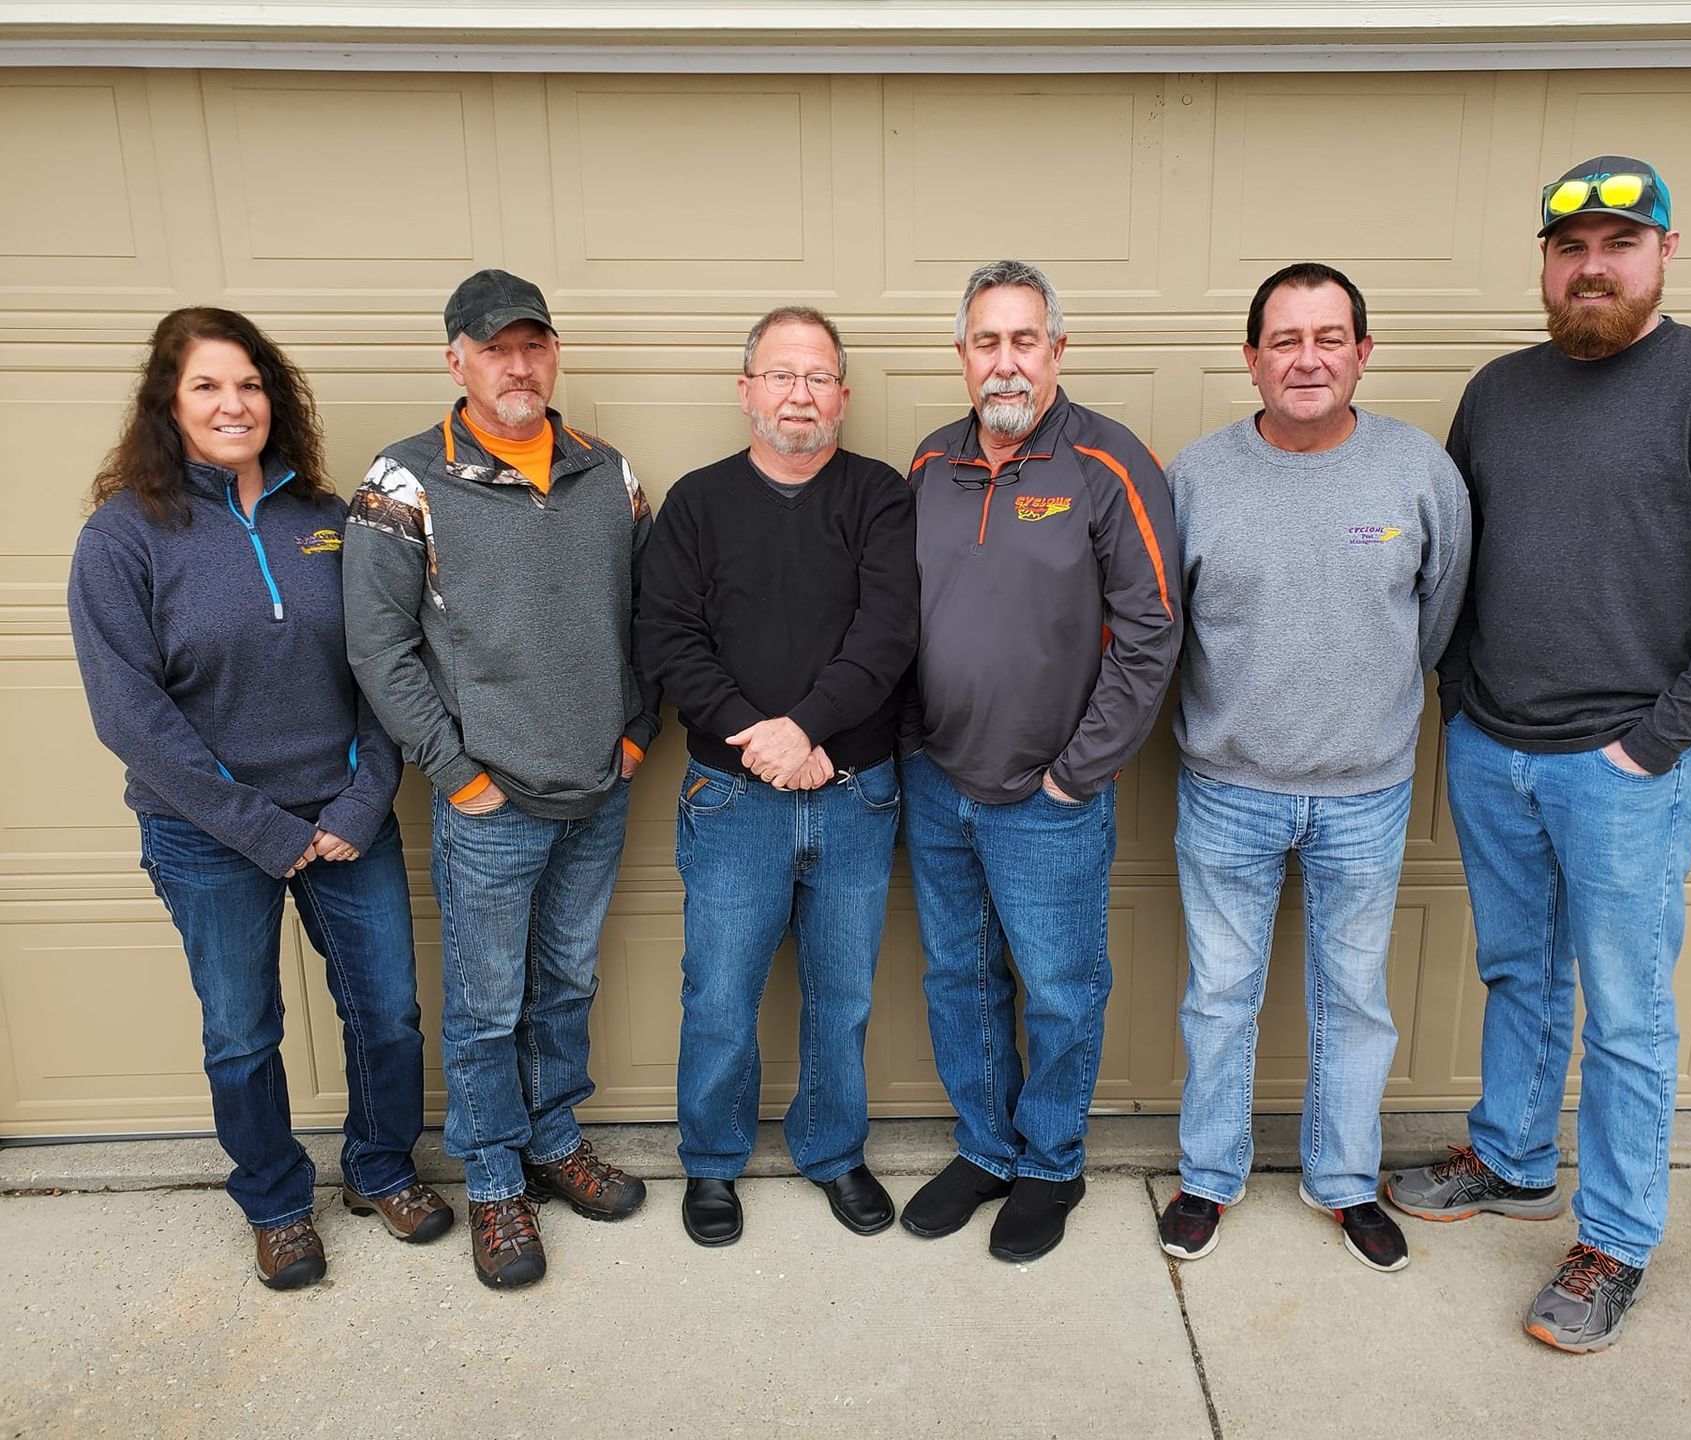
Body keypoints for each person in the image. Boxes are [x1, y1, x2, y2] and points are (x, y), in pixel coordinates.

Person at [1387, 157, 1691, 1351]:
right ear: (1544, 261)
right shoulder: (1500, 393)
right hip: (1495, 748)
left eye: (1621, 244)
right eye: (1572, 246)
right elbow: (1461, 564)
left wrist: (1657, 743)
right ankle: (1515, 1156)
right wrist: (1462, 700)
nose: (1594, 265)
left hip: (1624, 768)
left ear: (1664, 256)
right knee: (1518, 971)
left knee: (1627, 1014)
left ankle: (1616, 1239)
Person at [68, 307, 450, 1291]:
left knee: (390, 1015)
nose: (233, 404)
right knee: (242, 1030)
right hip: (206, 833)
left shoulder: (326, 520)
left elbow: (381, 667)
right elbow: (129, 712)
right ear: (169, 403)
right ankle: (277, 1203)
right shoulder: (123, 538)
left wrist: (365, 800)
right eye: (207, 386)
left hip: (342, 817)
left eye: (248, 383)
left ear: (273, 398)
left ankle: (379, 1167)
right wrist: (256, 824)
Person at [344, 269, 659, 1290]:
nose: (516, 364)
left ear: (552, 354)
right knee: (485, 1006)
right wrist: (455, 772)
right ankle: (491, 1182)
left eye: (532, 345)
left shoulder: (609, 475)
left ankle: (551, 1139)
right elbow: (378, 650)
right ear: (457, 361)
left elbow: (650, 618)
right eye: (494, 348)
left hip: (596, 793)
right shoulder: (403, 481)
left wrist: (638, 734)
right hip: (491, 804)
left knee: (564, 984)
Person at [1155, 264, 1470, 1272]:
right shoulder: (1195, 478)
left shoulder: (1418, 472)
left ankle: (1343, 1183)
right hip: (1226, 789)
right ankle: (1208, 1176)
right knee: (1220, 995)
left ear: (1363, 353)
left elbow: (1438, 618)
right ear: (1251, 359)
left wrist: (1362, 710)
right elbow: (1163, 629)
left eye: (1328, 337)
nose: (1307, 358)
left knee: (1353, 999)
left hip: (1367, 795)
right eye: (1284, 340)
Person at [899, 259, 1181, 1263]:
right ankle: (984, 1148)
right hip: (939, 784)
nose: (1005, 363)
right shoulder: (931, 465)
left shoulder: (1108, 463)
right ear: (963, 356)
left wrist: (1078, 772)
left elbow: (1152, 630)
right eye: (987, 342)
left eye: (1025, 341)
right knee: (959, 979)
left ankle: (1051, 1163)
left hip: (1048, 799)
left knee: (1062, 988)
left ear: (1057, 351)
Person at [637, 306, 918, 1247]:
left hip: (853, 790)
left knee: (844, 995)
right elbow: (670, 637)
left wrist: (808, 730)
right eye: (781, 374)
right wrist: (758, 737)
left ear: (844, 394)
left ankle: (833, 1151)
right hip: (731, 799)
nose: (800, 393)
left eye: (819, 376)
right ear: (747, 387)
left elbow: (887, 636)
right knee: (718, 992)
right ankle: (712, 1163)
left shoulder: (880, 496)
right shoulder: (697, 503)